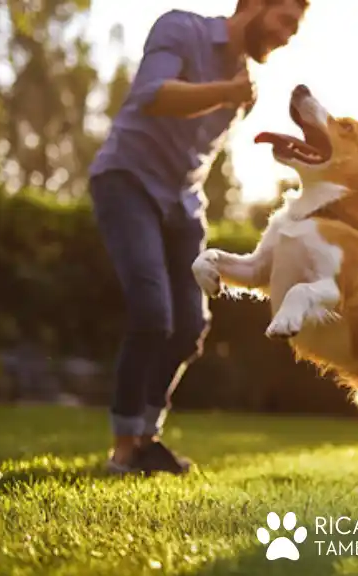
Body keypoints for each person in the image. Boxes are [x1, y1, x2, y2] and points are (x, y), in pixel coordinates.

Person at [88, 0, 310, 475]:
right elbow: (152, 94)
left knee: (190, 324)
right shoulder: (180, 29)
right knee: (152, 313)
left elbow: (198, 153)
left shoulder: (245, 86)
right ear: (253, 6)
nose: (289, 34)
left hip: (182, 202)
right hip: (127, 179)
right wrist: (225, 92)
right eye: (285, 20)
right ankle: (124, 449)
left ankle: (147, 436)